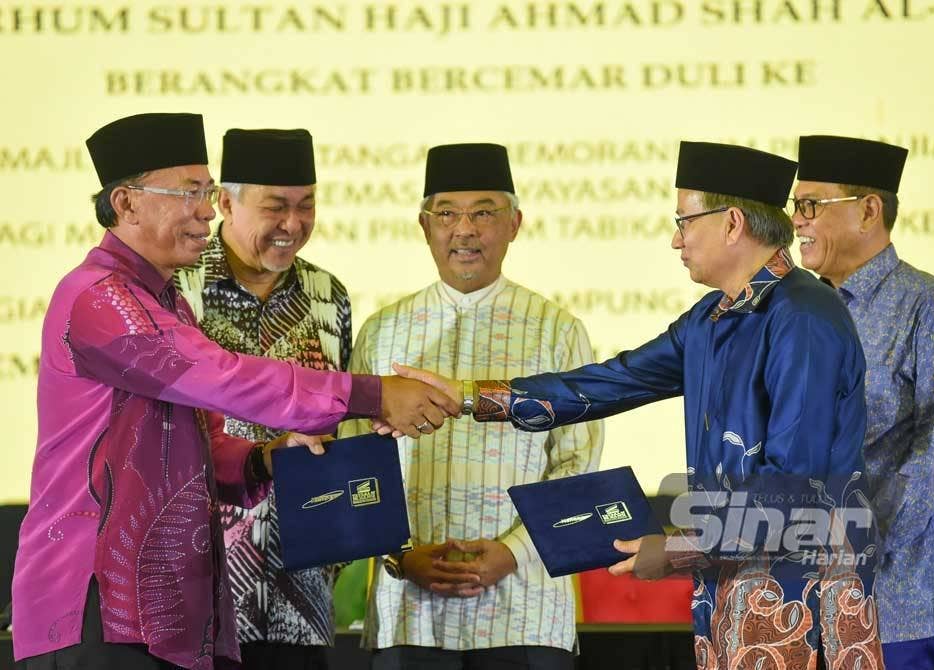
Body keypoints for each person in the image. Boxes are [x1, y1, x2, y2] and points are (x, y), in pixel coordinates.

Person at [391, 141, 886, 669]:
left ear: (733, 223)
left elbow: (793, 490)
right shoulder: (711, 319)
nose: (677, 239)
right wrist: (467, 399)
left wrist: (675, 551)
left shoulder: (804, 317)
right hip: (729, 599)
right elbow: (610, 383)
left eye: (685, 221)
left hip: (805, 605)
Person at [12, 113, 457, 670]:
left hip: (176, 606)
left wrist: (266, 459)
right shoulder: (99, 297)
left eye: (207, 192)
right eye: (189, 194)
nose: (205, 209)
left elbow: (200, 438)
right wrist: (372, 394)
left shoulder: (167, 298)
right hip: (96, 596)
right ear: (126, 205)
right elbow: (223, 377)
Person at [340, 143, 603, 670]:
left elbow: (578, 466)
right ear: (424, 225)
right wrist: (398, 554)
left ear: (515, 223)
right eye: (447, 213)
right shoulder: (383, 332)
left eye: (484, 212)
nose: (464, 229)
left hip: (526, 613)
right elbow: (355, 460)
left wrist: (513, 551)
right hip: (407, 611)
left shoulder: (557, 331)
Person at [793, 134, 934, 670]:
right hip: (805, 603)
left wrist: (856, 553)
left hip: (897, 604)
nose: (797, 222)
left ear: (868, 211)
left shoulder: (933, 309)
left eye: (810, 206)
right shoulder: (806, 313)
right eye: (795, 207)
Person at [175, 128, 350, 669]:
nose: (293, 225)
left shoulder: (329, 294)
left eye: (306, 206)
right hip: (201, 594)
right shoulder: (179, 289)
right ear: (225, 202)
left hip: (305, 595)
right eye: (275, 207)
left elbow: (338, 427)